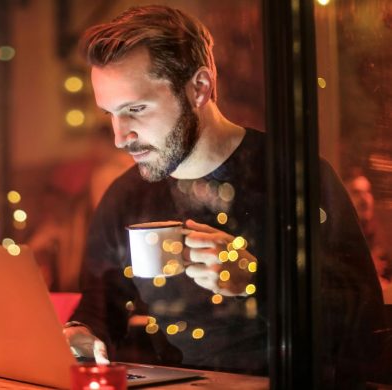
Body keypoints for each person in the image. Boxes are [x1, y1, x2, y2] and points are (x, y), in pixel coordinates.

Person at [62, 5, 384, 386]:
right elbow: (102, 307)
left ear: (199, 87)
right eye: (111, 114)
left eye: (136, 109)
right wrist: (79, 334)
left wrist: (255, 284)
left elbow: (363, 327)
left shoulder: (293, 178)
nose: (120, 136)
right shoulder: (125, 196)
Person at [344, 172, 391, 290]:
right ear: (344, 199)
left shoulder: (384, 235)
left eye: (368, 192)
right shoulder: (337, 238)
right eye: (356, 192)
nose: (364, 198)